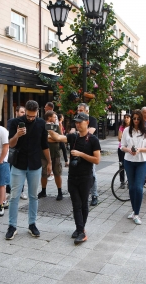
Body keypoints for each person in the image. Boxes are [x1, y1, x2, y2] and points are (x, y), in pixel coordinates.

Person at [48, 112, 101, 244]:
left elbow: (97, 160)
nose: (77, 124)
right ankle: (80, 229)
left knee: (83, 204)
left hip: (85, 177)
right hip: (73, 176)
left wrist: (80, 154)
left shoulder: (93, 140)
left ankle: (80, 230)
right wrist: (50, 127)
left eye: (80, 122)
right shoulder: (73, 137)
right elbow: (58, 137)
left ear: (87, 122)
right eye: (76, 122)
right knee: (75, 204)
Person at [6, 100, 51, 240]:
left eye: (33, 116)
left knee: (33, 196)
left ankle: (32, 224)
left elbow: (44, 145)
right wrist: (17, 135)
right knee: (14, 196)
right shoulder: (14, 122)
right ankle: (12, 226)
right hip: (18, 164)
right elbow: (11, 144)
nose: (30, 118)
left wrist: (49, 162)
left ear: (38, 112)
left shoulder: (41, 124)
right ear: (25, 111)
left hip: (35, 165)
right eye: (28, 115)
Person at [120, 110, 146, 224]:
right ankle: (134, 210)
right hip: (129, 160)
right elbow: (122, 146)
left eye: (138, 118)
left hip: (142, 161)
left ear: (142, 119)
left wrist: (139, 150)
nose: (136, 120)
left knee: (138, 188)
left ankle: (137, 214)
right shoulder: (126, 130)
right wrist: (128, 149)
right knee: (132, 187)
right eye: (134, 118)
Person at [70, 103, 99, 206]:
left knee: (92, 174)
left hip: (89, 150)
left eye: (81, 110)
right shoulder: (76, 121)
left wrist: (78, 133)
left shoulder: (92, 120)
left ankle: (94, 195)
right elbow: (72, 132)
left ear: (87, 111)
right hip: (77, 149)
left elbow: (90, 131)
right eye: (78, 110)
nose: (79, 112)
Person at [38, 110, 63, 201]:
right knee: (44, 174)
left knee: (57, 173)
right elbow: (41, 139)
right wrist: (53, 138)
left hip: (55, 153)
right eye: (54, 116)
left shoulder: (55, 126)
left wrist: (48, 138)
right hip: (43, 154)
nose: (55, 118)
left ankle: (60, 192)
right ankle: (43, 191)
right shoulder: (42, 126)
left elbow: (60, 139)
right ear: (48, 117)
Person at [7, 106, 27, 200]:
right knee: (10, 170)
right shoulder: (12, 122)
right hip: (13, 150)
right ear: (16, 112)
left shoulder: (27, 122)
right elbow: (9, 136)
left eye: (24, 112)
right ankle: (8, 191)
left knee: (22, 172)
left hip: (23, 150)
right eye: (22, 112)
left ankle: (21, 191)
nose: (23, 114)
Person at [118, 113, 131, 186]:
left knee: (129, 164)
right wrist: (127, 140)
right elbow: (119, 138)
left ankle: (130, 180)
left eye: (128, 117)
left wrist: (124, 139)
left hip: (129, 149)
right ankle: (122, 181)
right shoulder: (122, 127)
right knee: (121, 164)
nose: (126, 119)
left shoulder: (132, 127)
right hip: (121, 148)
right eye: (125, 117)